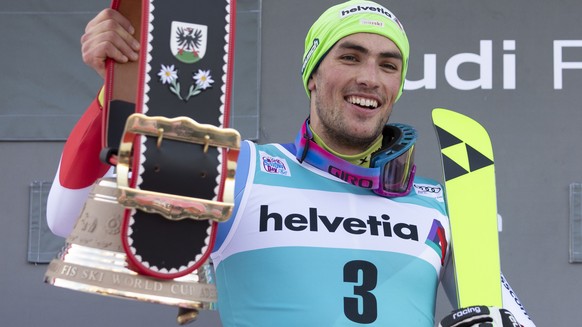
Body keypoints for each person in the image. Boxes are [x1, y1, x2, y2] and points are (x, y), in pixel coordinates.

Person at [47, 1, 536, 326]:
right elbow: (67, 218)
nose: (370, 77)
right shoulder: (244, 172)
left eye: (388, 65)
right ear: (313, 73)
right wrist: (111, 94)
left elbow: (511, 316)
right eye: (350, 56)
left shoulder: (440, 203)